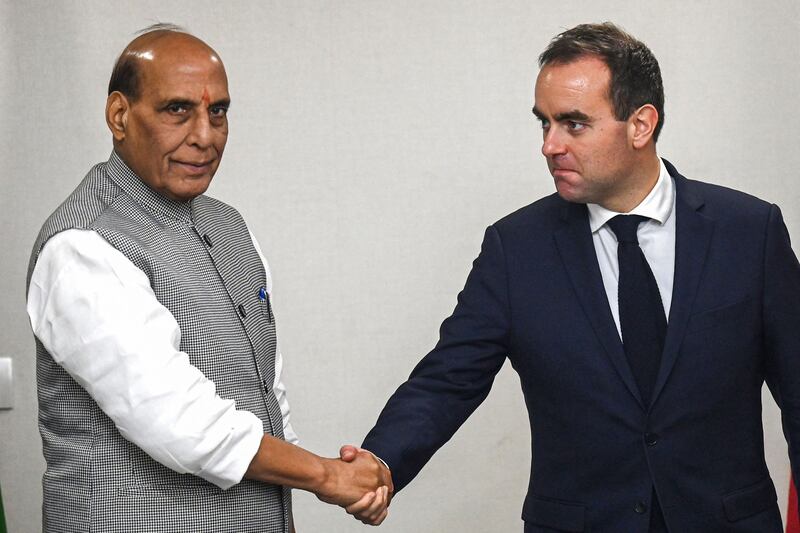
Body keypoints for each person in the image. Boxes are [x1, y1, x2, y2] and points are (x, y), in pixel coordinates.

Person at [348, 22, 800, 531]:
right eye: (544, 123)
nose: (549, 145)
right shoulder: (516, 249)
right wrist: (380, 463)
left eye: (573, 124)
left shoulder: (749, 233)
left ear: (640, 125)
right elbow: (448, 379)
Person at [26, 25, 390, 532]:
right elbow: (181, 423)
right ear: (119, 115)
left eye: (217, 111)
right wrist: (326, 476)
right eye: (178, 109)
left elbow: (265, 395)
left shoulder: (228, 226)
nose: (204, 135)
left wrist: (338, 477)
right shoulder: (82, 246)